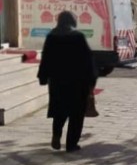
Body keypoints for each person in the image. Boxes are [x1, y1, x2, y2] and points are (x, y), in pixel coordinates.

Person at [37, 11, 97, 152]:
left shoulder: (52, 37)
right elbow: (87, 61)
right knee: (76, 114)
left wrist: (43, 77)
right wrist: (92, 80)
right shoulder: (78, 37)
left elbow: (46, 58)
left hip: (57, 82)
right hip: (77, 82)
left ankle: (56, 135)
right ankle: (71, 144)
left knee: (60, 110)